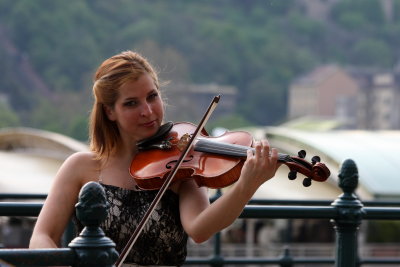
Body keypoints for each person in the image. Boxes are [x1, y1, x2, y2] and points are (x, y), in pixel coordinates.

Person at [29, 50, 279, 266]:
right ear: (109, 111)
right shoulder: (81, 166)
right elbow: (41, 236)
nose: (147, 111)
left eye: (152, 96)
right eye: (131, 103)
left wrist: (247, 186)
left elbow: (200, 229)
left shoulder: (181, 165)